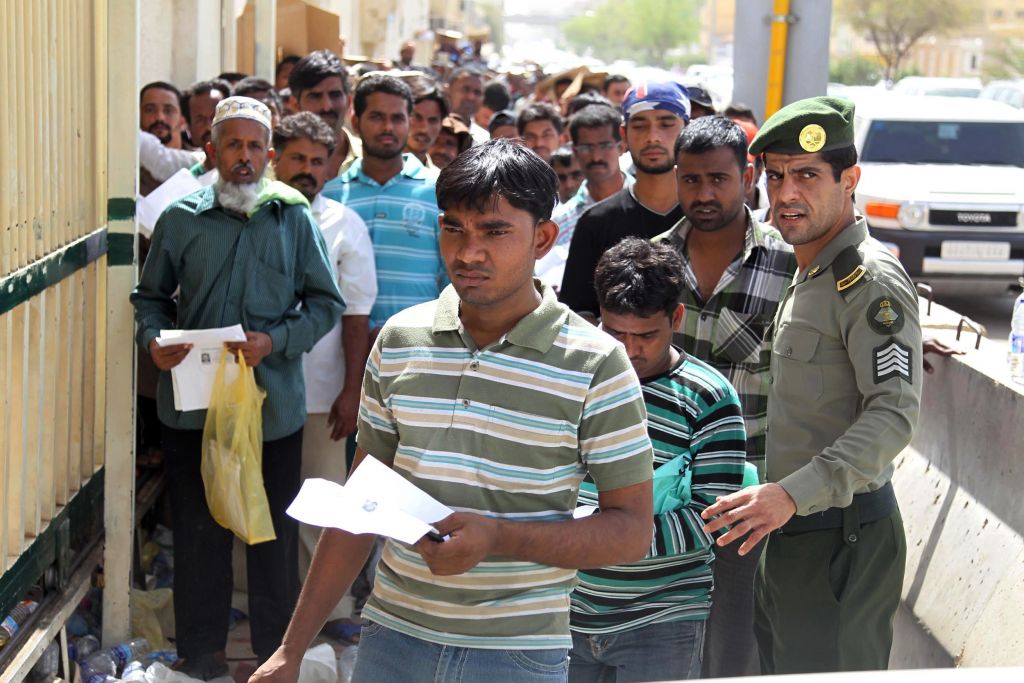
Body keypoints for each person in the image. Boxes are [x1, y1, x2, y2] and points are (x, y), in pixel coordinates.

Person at [250, 138, 654, 683]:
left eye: (494, 231)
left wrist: (501, 537)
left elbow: (630, 532)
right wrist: (290, 650)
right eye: (453, 228)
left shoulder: (596, 362)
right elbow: (361, 505)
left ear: (544, 239)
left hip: (518, 657)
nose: (467, 253)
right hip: (391, 641)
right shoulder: (399, 340)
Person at [701, 96, 923, 674]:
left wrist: (794, 493)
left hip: (841, 539)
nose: (788, 193)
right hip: (786, 531)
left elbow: (894, 414)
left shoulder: (866, 281)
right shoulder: (811, 270)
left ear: (849, 180)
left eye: (807, 175)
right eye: (776, 177)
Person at [130, 96, 344, 680]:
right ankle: (201, 659)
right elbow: (150, 298)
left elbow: (327, 303)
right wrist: (154, 338)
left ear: (269, 155)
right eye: (233, 145)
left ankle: (278, 657)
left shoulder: (292, 216)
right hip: (193, 411)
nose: (245, 157)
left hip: (272, 409)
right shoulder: (180, 218)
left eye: (255, 147)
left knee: (271, 538)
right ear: (211, 150)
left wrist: (274, 342)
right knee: (200, 539)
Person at [653, 115, 797, 678]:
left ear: (748, 176)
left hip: (747, 497)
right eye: (691, 180)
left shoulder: (791, 262)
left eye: (719, 179)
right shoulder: (654, 263)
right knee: (661, 641)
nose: (704, 193)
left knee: (734, 647)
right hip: (664, 495)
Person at [569, 237, 746, 683]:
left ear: (676, 317)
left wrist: (607, 538)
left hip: (665, 618)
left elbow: (716, 516)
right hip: (565, 612)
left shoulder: (709, 398)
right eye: (615, 334)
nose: (629, 351)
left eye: (646, 335)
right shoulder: (572, 383)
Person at [272, 111, 377, 635]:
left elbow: (357, 316)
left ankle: (331, 613)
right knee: (259, 503)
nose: (308, 169)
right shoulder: (248, 217)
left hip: (321, 390)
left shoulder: (344, 224)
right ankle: (260, 604)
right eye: (298, 158)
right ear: (276, 158)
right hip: (253, 391)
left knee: (324, 506)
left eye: (318, 160)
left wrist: (351, 390)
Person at [322, 73, 444, 337]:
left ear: (409, 123)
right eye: (377, 117)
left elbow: (451, 277)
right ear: (355, 122)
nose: (388, 127)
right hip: (341, 349)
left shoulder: (438, 190)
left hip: (418, 347)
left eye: (397, 118)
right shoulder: (330, 195)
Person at [559, 81, 690, 319]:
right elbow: (577, 313)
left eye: (666, 124)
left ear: (687, 130)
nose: (653, 137)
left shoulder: (704, 217)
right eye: (640, 125)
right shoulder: (596, 222)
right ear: (624, 135)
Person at [289, 50, 360, 177]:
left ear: (349, 101)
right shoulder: (275, 164)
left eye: (335, 95)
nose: (327, 107)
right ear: (295, 105)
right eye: (315, 96)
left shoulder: (370, 160)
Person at [140, 81, 188, 195]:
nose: (159, 117)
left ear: (183, 121)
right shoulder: (126, 167)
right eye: (150, 109)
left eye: (168, 110)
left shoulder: (199, 162)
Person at [405, 81, 448, 168]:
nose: (424, 129)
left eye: (433, 120)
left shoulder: (438, 180)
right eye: (417, 118)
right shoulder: (373, 172)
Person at [446, 66, 488, 143]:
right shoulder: (431, 129)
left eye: (477, 92)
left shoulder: (484, 140)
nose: (471, 97)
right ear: (448, 91)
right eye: (465, 89)